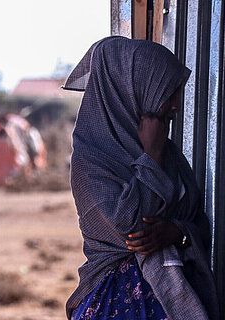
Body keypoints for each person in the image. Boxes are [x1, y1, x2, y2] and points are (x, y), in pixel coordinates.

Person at [62, 36, 219, 320]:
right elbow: (132, 228)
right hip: (115, 304)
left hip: (180, 297)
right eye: (167, 94)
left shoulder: (170, 154)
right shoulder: (91, 159)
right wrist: (152, 157)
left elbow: (196, 217)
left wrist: (178, 232)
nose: (175, 106)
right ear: (132, 90)